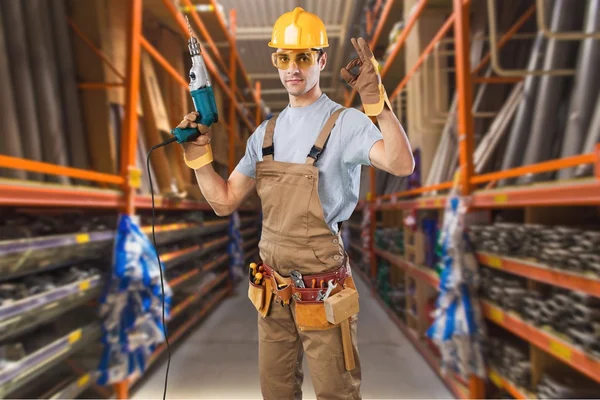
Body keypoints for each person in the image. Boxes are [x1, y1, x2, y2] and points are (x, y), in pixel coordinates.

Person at [176, 7, 414, 400]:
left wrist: (378, 104)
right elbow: (224, 201)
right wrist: (198, 156)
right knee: (276, 392)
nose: (293, 68)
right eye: (284, 58)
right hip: (273, 295)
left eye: (303, 57)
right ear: (275, 61)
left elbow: (402, 164)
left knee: (336, 393)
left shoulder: (346, 122)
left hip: (323, 293)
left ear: (320, 60)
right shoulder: (264, 135)